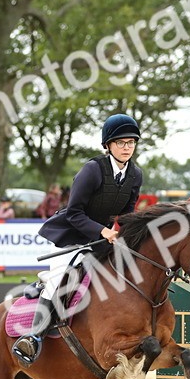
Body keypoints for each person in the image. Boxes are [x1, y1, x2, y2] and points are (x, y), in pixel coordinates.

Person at [11, 113, 145, 365]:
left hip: (100, 240)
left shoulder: (135, 175)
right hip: (70, 237)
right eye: (120, 143)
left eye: (131, 142)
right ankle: (34, 337)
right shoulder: (92, 170)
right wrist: (102, 231)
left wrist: (127, 237)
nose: (126, 147)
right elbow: (73, 213)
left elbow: (127, 214)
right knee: (61, 279)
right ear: (108, 145)